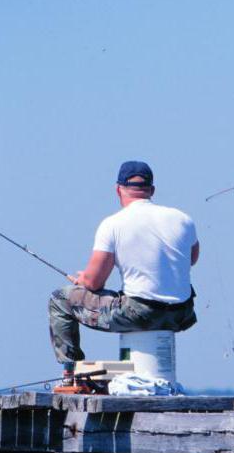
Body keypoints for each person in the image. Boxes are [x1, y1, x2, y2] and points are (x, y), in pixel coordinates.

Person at [48, 160, 199, 383]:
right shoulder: (183, 219)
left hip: (140, 313)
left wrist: (82, 279)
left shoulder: (113, 224)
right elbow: (191, 259)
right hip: (181, 314)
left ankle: (72, 373)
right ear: (152, 190)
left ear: (118, 189)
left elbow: (93, 283)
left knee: (60, 299)